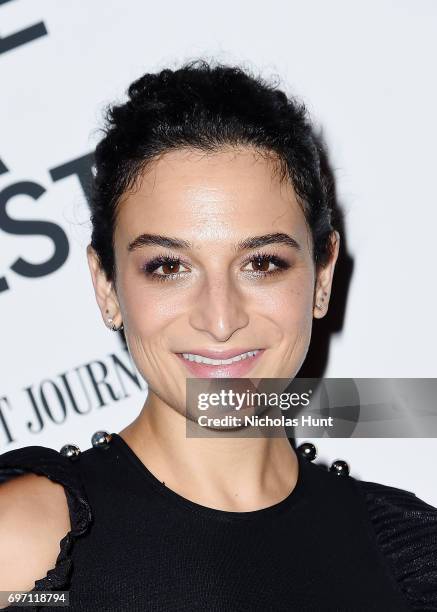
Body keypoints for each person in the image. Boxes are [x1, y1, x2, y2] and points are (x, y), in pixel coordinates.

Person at [1, 60, 436, 612]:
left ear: (321, 277)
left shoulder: (410, 557)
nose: (220, 318)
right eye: (167, 266)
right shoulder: (24, 544)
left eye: (262, 263)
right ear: (106, 285)